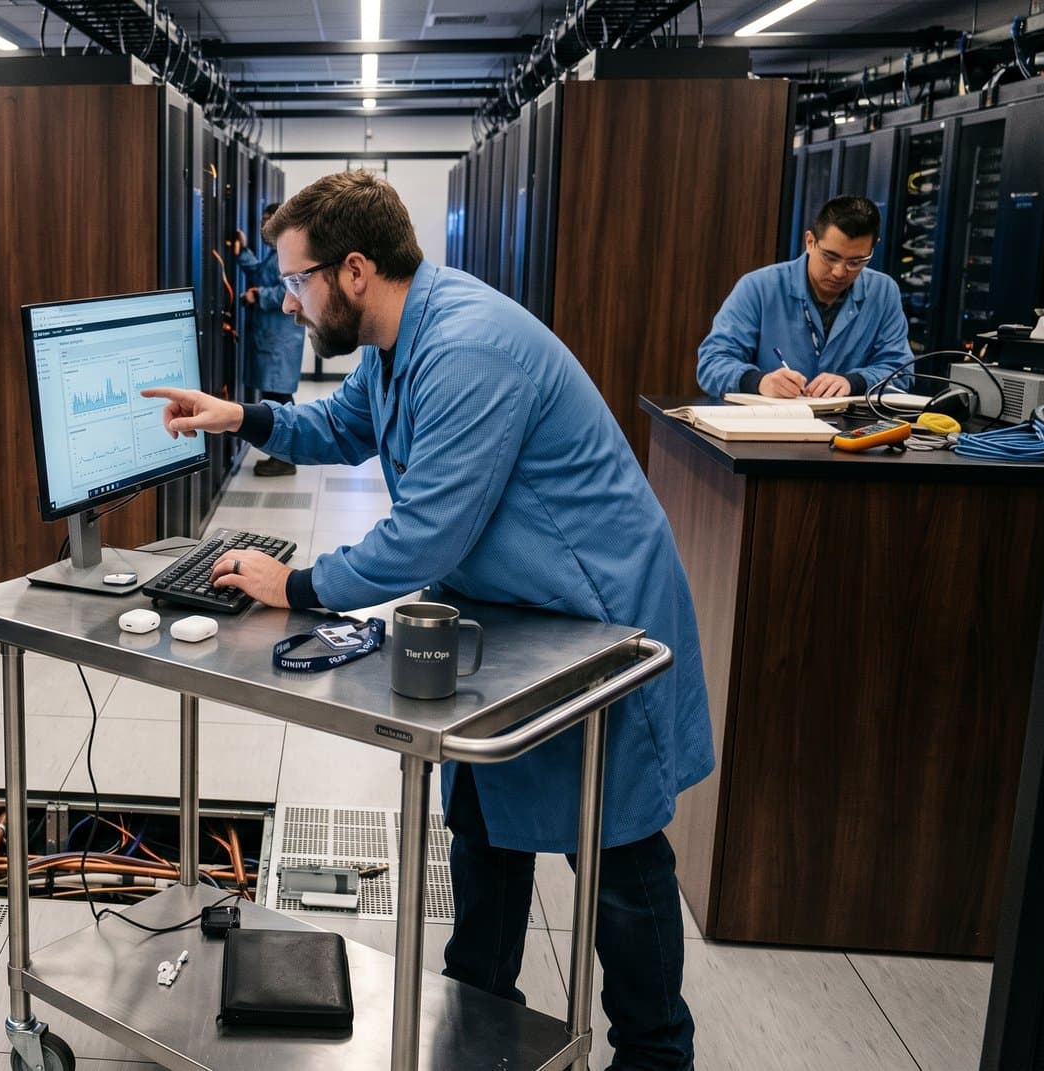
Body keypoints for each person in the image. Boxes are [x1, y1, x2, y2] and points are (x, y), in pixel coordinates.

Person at [144, 171, 712, 1070]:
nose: (288, 303)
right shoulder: (393, 338)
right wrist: (243, 416)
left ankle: (656, 1052)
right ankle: (481, 1030)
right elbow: (342, 427)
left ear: (356, 270)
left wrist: (294, 584)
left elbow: (423, 535)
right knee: (485, 829)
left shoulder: (467, 349)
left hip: (597, 621)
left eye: (298, 282)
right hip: (514, 619)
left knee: (619, 863)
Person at [697, 194, 911, 399]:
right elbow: (712, 363)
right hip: (768, 424)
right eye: (830, 257)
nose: (839, 271)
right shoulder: (759, 287)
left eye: (856, 262)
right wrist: (759, 382)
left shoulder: (883, 292)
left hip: (849, 429)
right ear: (810, 242)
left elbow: (901, 372)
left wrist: (854, 382)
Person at [235, 204, 308, 476]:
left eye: (270, 220)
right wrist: (242, 252)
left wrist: (259, 296)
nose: (265, 226)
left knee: (279, 401)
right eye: (263, 220)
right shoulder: (275, 252)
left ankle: (285, 458)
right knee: (274, 397)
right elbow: (261, 274)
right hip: (272, 339)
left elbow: (287, 292)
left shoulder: (291, 253)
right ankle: (282, 454)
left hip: (280, 341)